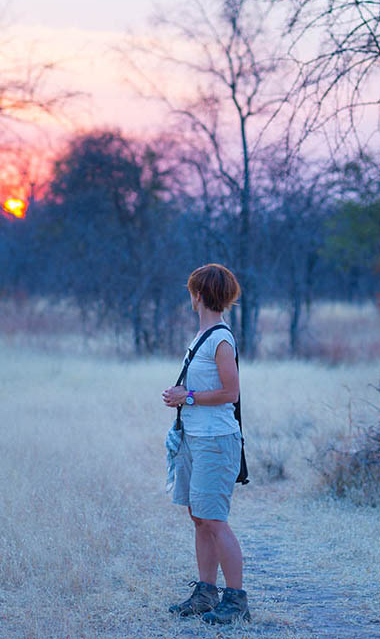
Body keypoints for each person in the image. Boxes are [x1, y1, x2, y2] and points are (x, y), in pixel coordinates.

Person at [162, 263, 250, 625]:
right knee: (199, 518)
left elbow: (231, 392)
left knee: (214, 520)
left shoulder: (220, 339)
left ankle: (236, 600)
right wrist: (183, 399)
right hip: (195, 438)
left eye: (192, 291)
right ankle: (206, 592)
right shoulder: (203, 336)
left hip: (215, 440)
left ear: (198, 295)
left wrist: (189, 397)